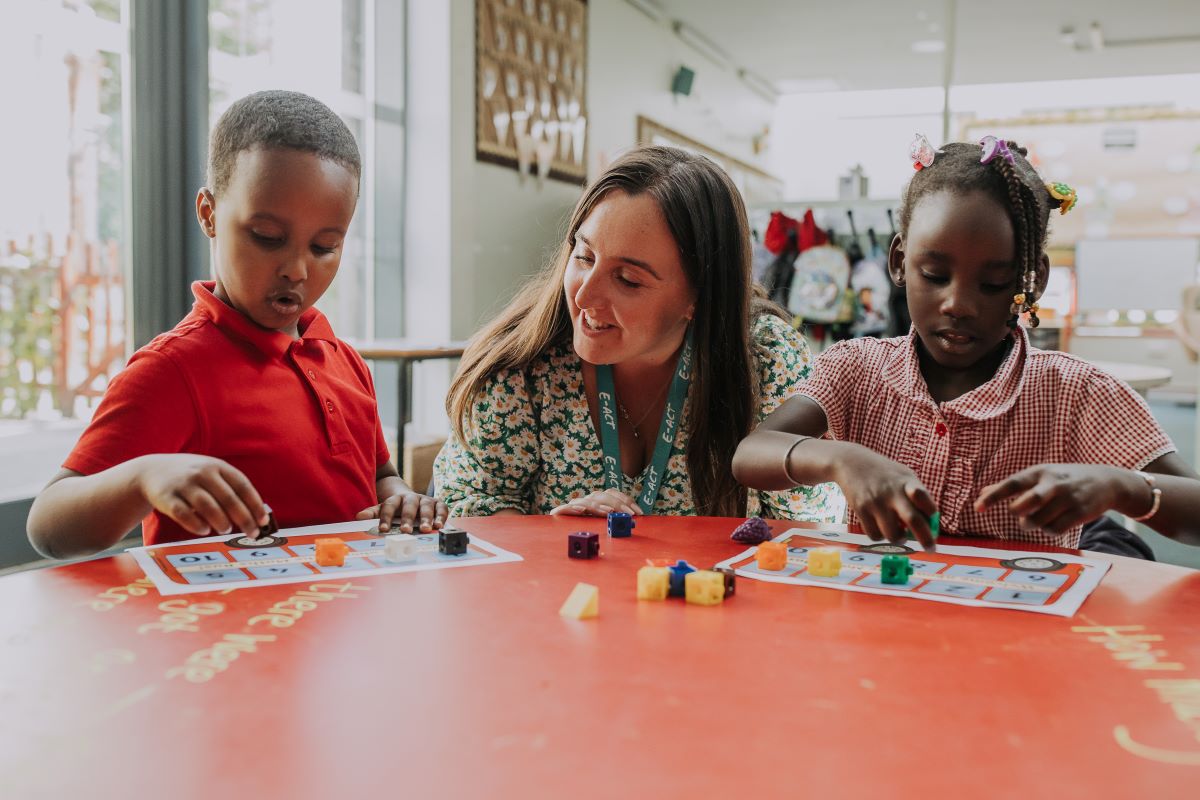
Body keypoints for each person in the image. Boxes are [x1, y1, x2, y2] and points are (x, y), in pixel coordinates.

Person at [27, 90, 446, 559]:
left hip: (348, 619)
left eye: (324, 247)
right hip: (233, 628)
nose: (297, 269)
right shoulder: (173, 370)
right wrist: (143, 476)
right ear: (209, 213)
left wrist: (401, 499)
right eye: (268, 238)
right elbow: (48, 525)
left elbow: (379, 477)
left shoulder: (343, 360)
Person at [733, 135, 1200, 552]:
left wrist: (1124, 487)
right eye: (934, 275)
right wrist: (839, 459)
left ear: (1031, 281)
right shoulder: (856, 367)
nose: (958, 303)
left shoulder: (1077, 393)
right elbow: (751, 455)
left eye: (994, 283)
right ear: (899, 261)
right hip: (879, 632)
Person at [434, 145, 842, 522]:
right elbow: (472, 509)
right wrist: (551, 539)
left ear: (699, 298)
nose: (585, 294)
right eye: (584, 256)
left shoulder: (769, 360)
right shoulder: (522, 366)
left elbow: (806, 529)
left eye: (628, 279)